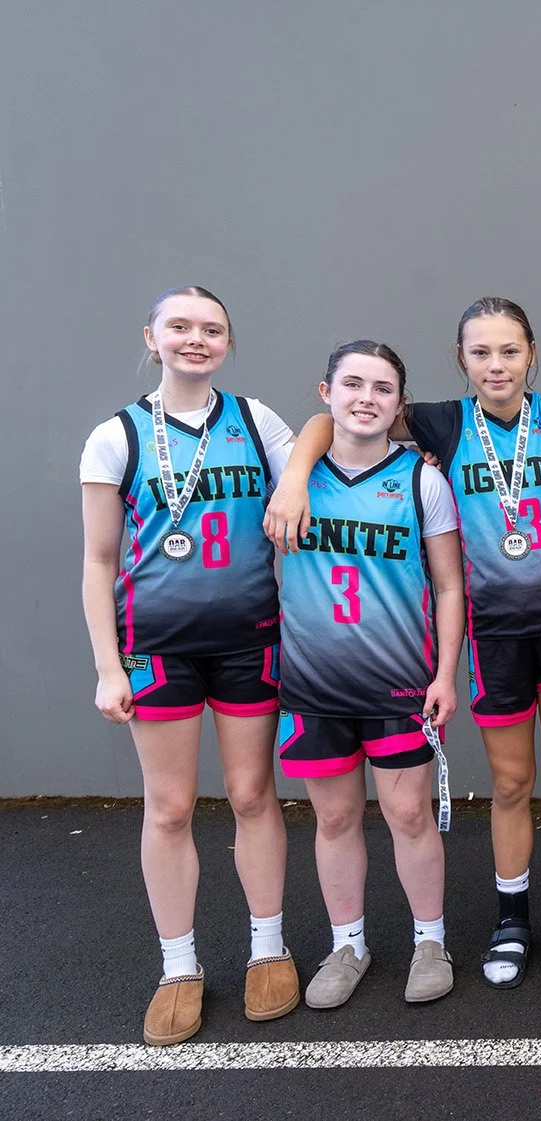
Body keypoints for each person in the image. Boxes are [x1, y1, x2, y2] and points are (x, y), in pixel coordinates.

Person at [267, 297, 541, 988]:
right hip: (494, 632)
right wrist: (292, 474)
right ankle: (512, 919)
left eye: (509, 350)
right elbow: (333, 418)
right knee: (511, 783)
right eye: (481, 352)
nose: (496, 364)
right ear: (461, 359)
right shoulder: (439, 421)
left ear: (532, 354)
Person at [80, 286, 299, 1046]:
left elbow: (314, 454)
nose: (195, 340)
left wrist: (298, 475)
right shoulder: (117, 435)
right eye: (181, 327)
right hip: (157, 646)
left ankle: (268, 947)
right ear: (153, 335)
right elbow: (99, 559)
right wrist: (109, 666)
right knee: (170, 806)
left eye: (212, 329)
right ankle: (179, 965)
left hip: (250, 638)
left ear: (229, 344)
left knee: (249, 793)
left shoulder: (255, 420)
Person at [274, 341, 464, 1009]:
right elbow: (311, 435)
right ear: (323, 391)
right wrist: (297, 469)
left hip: (397, 681)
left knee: (409, 813)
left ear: (399, 405)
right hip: (314, 683)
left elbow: (448, 586)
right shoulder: (290, 469)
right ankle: (347, 942)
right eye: (351, 383)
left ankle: (430, 940)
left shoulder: (422, 480)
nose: (366, 398)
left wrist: (446, 671)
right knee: (333, 817)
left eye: (383, 389)